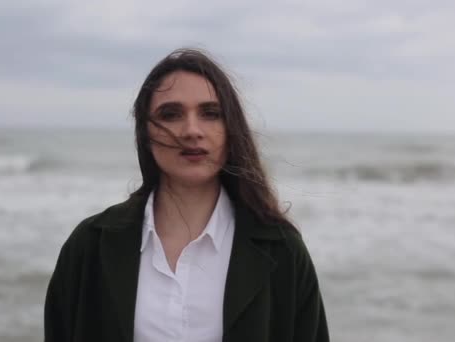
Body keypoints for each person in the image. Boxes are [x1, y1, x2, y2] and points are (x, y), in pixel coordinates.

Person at [44, 48, 329, 342]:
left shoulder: (282, 251)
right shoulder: (91, 245)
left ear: (231, 129)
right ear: (145, 132)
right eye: (170, 114)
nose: (192, 130)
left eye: (210, 113)